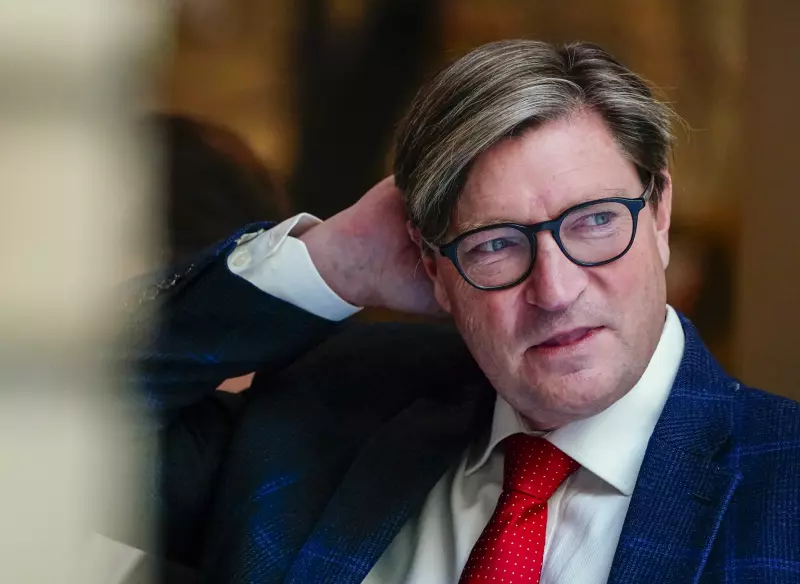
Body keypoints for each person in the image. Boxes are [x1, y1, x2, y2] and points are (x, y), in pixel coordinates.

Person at [131, 41, 800, 584]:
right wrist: (335, 261)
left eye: (596, 221)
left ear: (659, 213)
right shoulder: (329, 414)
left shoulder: (784, 483)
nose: (556, 290)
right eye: (496, 244)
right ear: (433, 268)